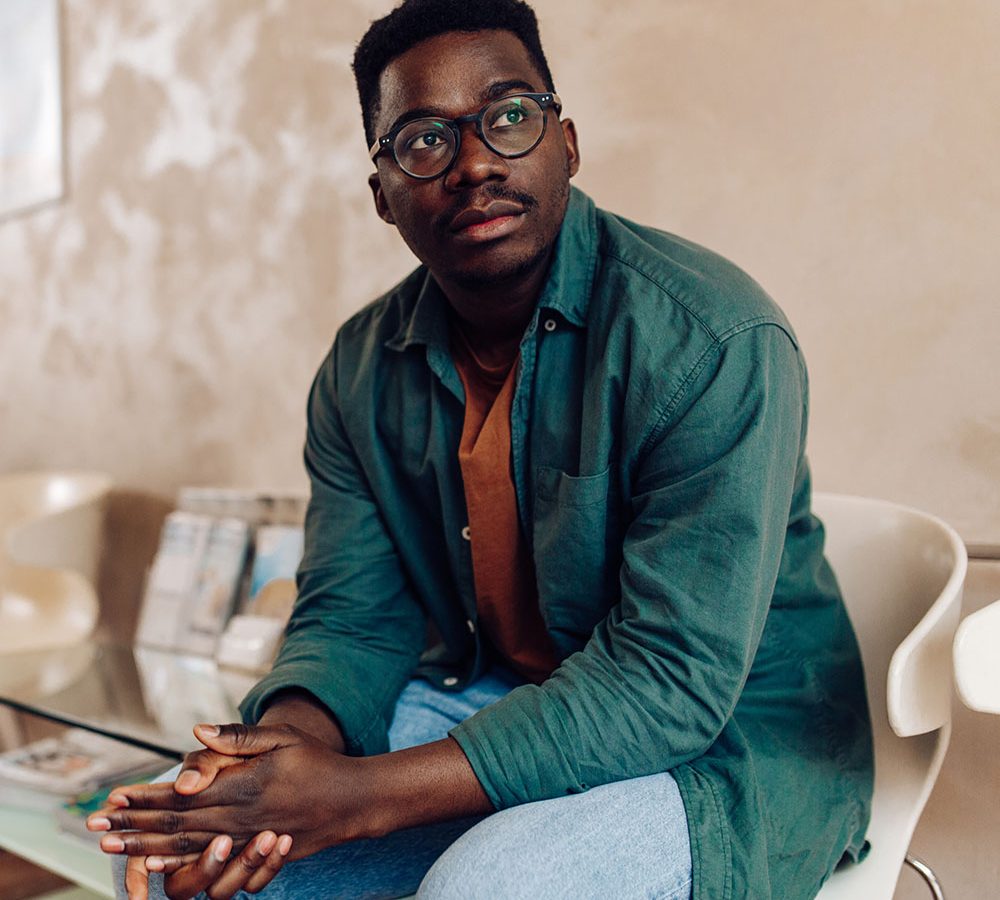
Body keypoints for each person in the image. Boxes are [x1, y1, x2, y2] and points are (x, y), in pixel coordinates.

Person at [89, 1, 874, 897]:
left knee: (485, 887)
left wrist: (359, 798)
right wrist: (287, 761)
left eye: (508, 117)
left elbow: (669, 682)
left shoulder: (713, 339)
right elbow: (352, 618)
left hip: (734, 746)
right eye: (423, 139)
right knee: (190, 857)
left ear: (566, 143)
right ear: (383, 194)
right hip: (504, 700)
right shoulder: (360, 369)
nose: (471, 164)